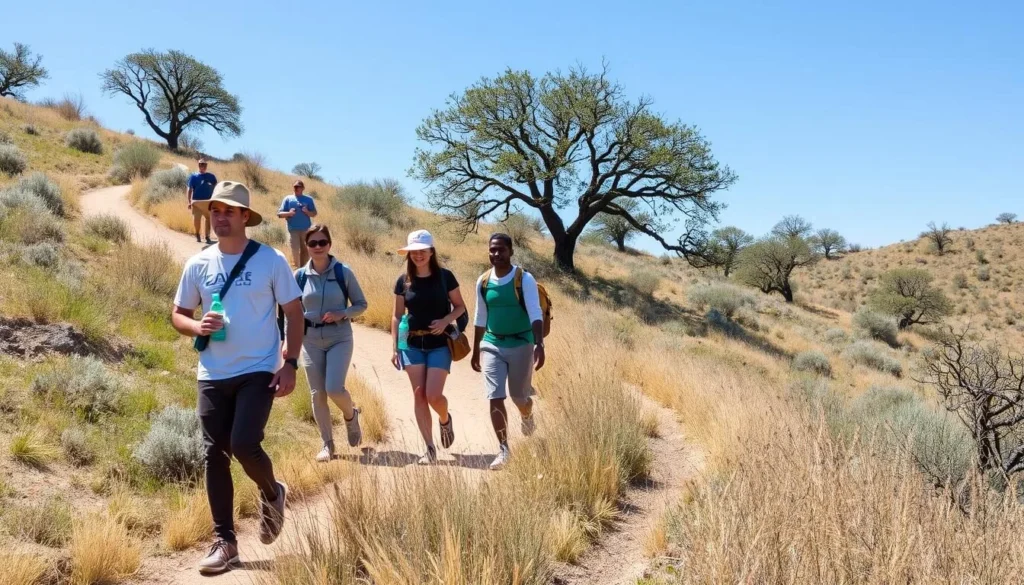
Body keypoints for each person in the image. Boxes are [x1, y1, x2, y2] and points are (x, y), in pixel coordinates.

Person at [171, 181, 305, 575]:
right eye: (215, 211)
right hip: (212, 371)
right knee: (214, 453)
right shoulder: (198, 263)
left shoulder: (270, 260)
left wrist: (291, 363)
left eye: (229, 211)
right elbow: (178, 314)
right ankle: (225, 542)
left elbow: (295, 313)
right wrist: (197, 328)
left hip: (259, 367)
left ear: (245, 216)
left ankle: (272, 492)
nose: (220, 217)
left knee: (244, 443)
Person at [289, 225, 369, 462]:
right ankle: (327, 444)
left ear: (329, 244)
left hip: (339, 337)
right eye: (312, 243)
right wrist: (288, 342)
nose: (317, 247)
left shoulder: (344, 272)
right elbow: (291, 313)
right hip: (309, 340)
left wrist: (341, 313)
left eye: (322, 242)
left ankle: (350, 414)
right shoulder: (300, 276)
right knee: (317, 394)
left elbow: (361, 304)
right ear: (306, 246)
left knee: (334, 388)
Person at [391, 229, 467, 465]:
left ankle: (445, 419)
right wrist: (395, 348)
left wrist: (446, 321)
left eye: (423, 251)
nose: (418, 255)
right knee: (418, 394)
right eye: (414, 252)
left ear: (431, 251)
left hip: (438, 344)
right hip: (411, 343)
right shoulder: (403, 281)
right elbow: (396, 315)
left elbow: (460, 307)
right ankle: (429, 448)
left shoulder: (445, 276)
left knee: (433, 395)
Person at [471, 233, 545, 470]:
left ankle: (527, 412)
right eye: (492, 250)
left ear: (511, 251)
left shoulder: (524, 279)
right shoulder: (483, 281)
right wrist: (475, 351)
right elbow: (480, 317)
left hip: (521, 343)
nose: (496, 254)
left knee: (518, 397)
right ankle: (504, 449)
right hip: (492, 344)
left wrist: (539, 344)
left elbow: (535, 312)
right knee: (495, 396)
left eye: (501, 250)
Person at [277, 180, 318, 267]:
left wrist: (307, 212)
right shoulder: (288, 199)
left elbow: (314, 213)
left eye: (298, 186)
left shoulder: (308, 199)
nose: (296, 188)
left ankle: (303, 271)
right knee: (295, 251)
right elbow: (279, 214)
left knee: (305, 251)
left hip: (306, 229)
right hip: (293, 230)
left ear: (303, 188)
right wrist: (289, 213)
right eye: (295, 186)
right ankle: (296, 270)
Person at [186, 158, 218, 244]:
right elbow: (189, 189)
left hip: (208, 202)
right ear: (198, 165)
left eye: (203, 164)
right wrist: (189, 202)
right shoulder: (193, 177)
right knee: (197, 220)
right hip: (196, 202)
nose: (202, 166)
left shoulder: (211, 177)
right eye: (200, 164)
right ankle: (197, 235)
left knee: (208, 219)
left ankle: (207, 237)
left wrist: (215, 198)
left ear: (206, 166)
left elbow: (216, 186)